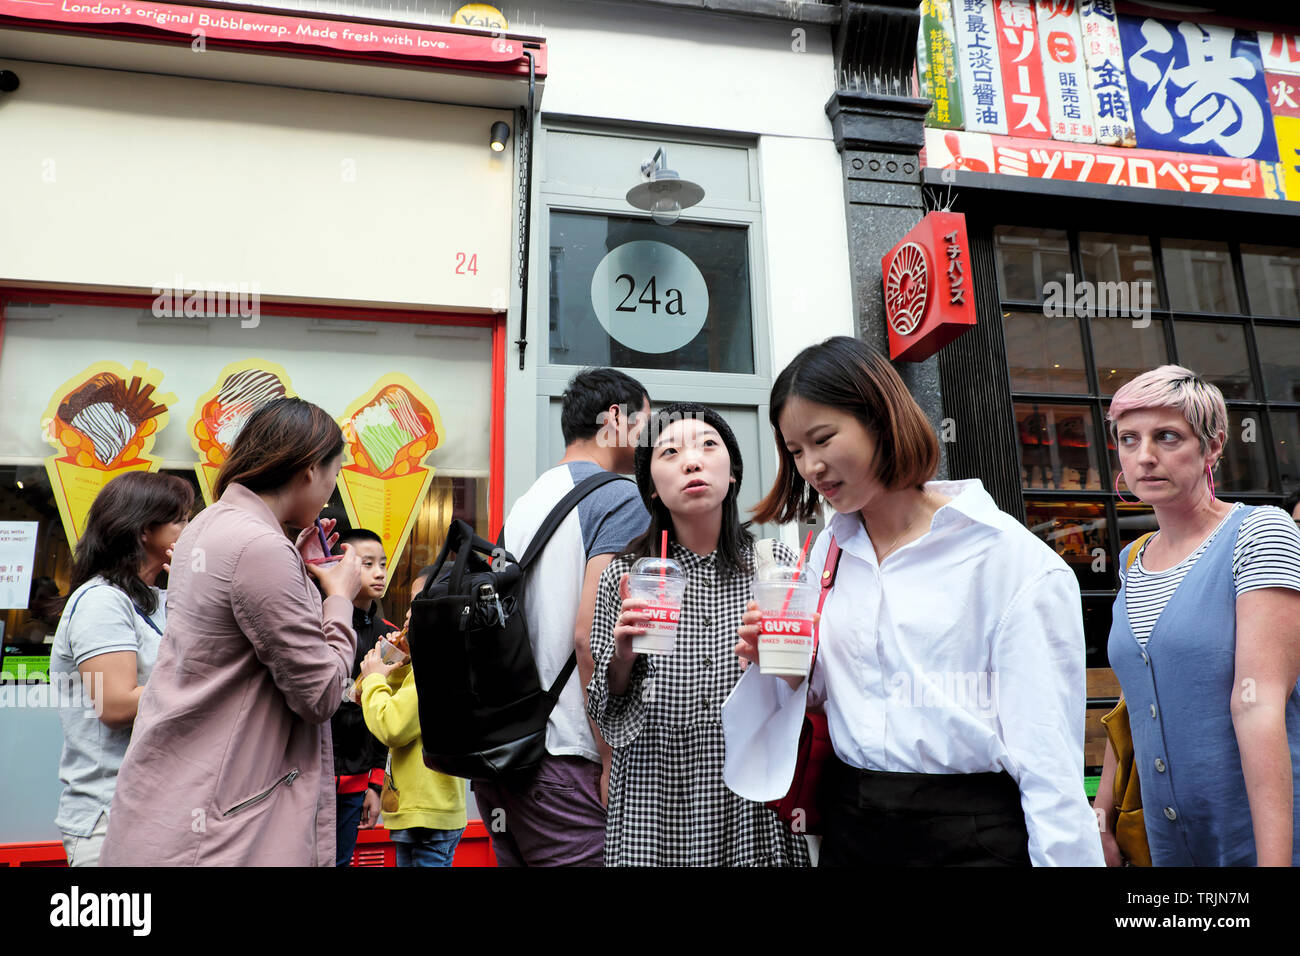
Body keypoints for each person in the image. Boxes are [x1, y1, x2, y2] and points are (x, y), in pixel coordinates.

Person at [723, 336, 1103, 866]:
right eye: (795, 451)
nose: (810, 466)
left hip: (970, 835)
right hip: (852, 825)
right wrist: (781, 667)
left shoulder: (1008, 559)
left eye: (823, 438)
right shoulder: (826, 553)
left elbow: (1048, 760)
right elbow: (827, 693)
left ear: (881, 418)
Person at [99, 398, 365, 866]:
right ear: (307, 470)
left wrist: (293, 567)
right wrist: (339, 596)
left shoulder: (208, 525)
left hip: (175, 803)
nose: (331, 489)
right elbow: (322, 693)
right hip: (230, 827)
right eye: (333, 473)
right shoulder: (260, 547)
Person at [587, 402, 811, 867]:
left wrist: (779, 659)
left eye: (709, 446)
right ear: (650, 489)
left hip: (750, 791)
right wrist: (623, 656)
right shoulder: (627, 576)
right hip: (655, 793)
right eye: (669, 452)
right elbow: (606, 709)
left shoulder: (776, 570)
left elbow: (807, 692)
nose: (692, 461)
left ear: (732, 474)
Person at [1097, 365, 1300, 866]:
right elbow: (1134, 697)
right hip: (1166, 842)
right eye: (1129, 438)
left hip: (1254, 831)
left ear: (1212, 447)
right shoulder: (1133, 558)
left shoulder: (1259, 532)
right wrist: (1102, 813)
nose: (1144, 456)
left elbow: (1257, 704)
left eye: (1167, 436)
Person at [472, 367, 651, 867]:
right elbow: (590, 636)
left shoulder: (527, 502)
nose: (648, 442)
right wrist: (611, 756)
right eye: (646, 425)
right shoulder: (620, 496)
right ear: (615, 420)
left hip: (509, 761)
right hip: (569, 757)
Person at [49, 471, 193, 867]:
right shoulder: (100, 601)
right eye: (181, 519)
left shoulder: (161, 598)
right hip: (110, 816)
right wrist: (205, 684)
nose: (191, 529)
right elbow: (115, 705)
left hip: (162, 810)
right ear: (145, 530)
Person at [356, 565, 467, 867]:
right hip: (420, 813)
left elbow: (392, 727)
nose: (406, 616)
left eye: (417, 606)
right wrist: (397, 666)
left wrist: (374, 678)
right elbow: (401, 710)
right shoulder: (429, 664)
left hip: (427, 815)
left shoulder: (435, 666)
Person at [330, 527, 395, 866]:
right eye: (368, 564)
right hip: (313, 774)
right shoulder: (325, 623)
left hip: (357, 778)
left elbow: (384, 713)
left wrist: (375, 782)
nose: (379, 572)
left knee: (340, 861)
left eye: (382, 563)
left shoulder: (389, 636)